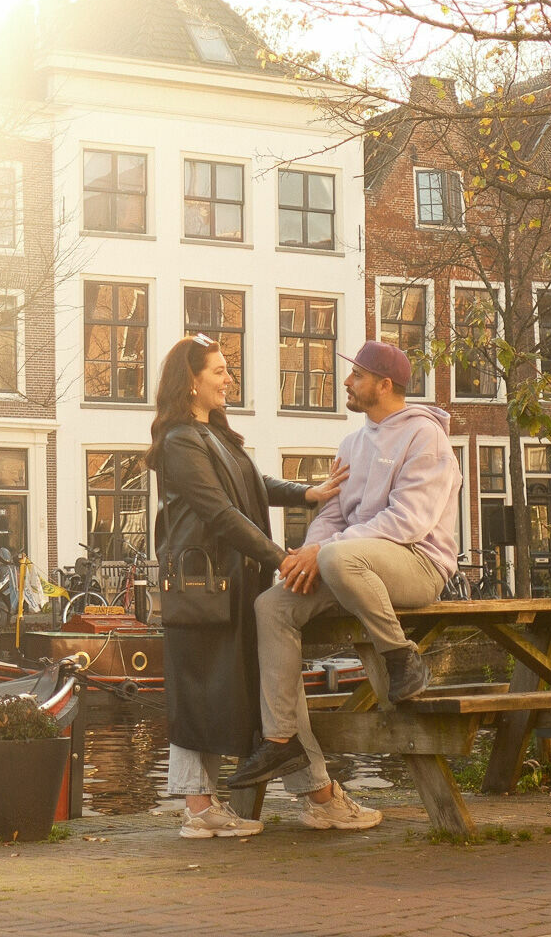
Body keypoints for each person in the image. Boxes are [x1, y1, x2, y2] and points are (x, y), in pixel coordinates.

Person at [229, 340, 460, 831]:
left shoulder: (426, 439)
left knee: (337, 554)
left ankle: (403, 659)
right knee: (271, 605)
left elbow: (409, 522)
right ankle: (280, 740)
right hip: (350, 565)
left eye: (356, 375)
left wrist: (327, 552)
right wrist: (307, 557)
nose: (347, 383)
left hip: (418, 564)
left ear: (384, 384)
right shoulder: (353, 443)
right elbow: (330, 513)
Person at [147, 334, 347, 839]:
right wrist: (282, 559)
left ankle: (308, 795)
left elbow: (251, 486)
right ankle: (199, 810)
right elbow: (218, 512)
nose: (227, 378)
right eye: (218, 371)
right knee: (199, 690)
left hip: (230, 583)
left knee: (234, 687)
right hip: (203, 587)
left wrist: (307, 492)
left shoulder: (211, 434)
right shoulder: (179, 441)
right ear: (191, 381)